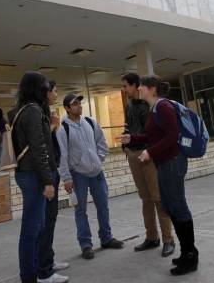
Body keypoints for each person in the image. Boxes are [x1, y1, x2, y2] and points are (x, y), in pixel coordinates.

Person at [117, 76, 199, 276]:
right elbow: (154, 136)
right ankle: (186, 253)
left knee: (178, 208)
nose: (139, 89)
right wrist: (133, 138)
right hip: (164, 163)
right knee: (171, 207)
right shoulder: (155, 108)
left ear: (151, 89)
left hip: (173, 162)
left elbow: (173, 136)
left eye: (142, 87)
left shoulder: (163, 107)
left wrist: (150, 152)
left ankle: (190, 256)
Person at [57, 93, 124, 260]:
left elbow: (102, 143)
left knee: (103, 206)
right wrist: (66, 178)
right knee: (81, 210)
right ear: (67, 108)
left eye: (79, 103)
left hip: (97, 173)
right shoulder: (63, 129)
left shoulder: (91, 122)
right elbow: (62, 156)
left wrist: (97, 160)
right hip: (78, 175)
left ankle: (106, 238)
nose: (79, 106)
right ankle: (86, 244)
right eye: (74, 104)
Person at [9, 72, 56, 283]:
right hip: (33, 175)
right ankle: (28, 276)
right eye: (44, 86)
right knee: (31, 228)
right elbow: (38, 148)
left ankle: (35, 271)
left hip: (27, 173)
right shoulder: (33, 111)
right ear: (36, 88)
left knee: (37, 226)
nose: (47, 90)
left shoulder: (23, 110)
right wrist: (47, 181)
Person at [121, 73, 175, 257]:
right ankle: (152, 237)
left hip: (149, 154)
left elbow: (155, 134)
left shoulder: (150, 105)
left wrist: (146, 148)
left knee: (157, 197)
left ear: (136, 85)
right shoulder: (129, 105)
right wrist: (127, 141)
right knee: (145, 198)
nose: (124, 89)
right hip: (134, 154)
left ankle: (168, 239)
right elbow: (129, 126)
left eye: (126, 86)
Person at [37, 81, 69, 283]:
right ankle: (44, 270)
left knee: (51, 219)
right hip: (45, 174)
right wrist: (51, 126)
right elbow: (38, 145)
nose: (56, 94)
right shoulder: (36, 113)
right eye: (54, 91)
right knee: (45, 221)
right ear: (46, 92)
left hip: (52, 169)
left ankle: (48, 260)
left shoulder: (44, 112)